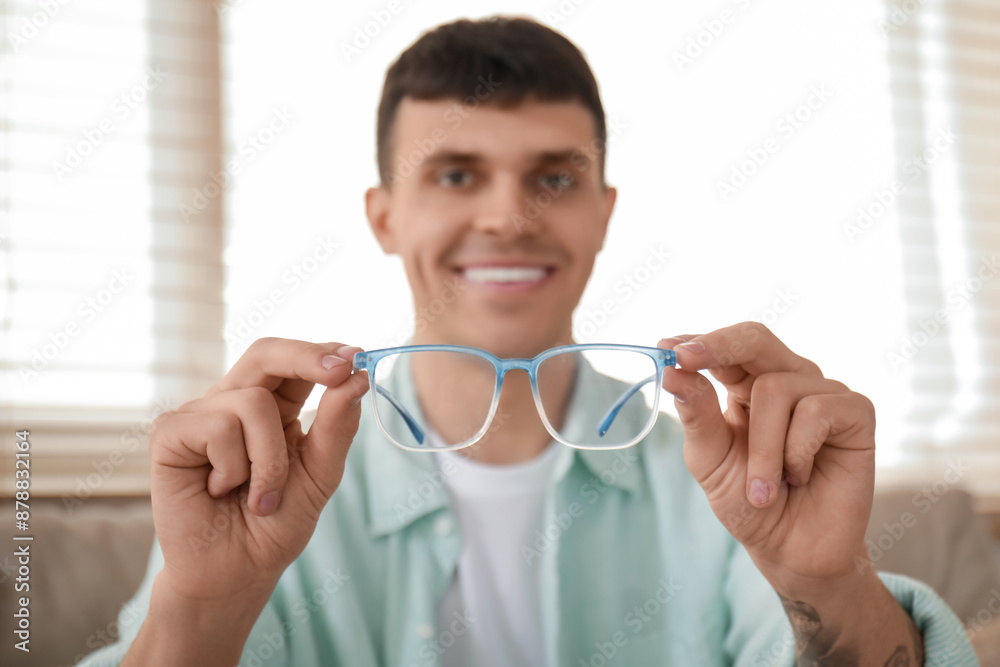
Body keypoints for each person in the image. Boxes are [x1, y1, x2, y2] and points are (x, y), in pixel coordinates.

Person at [82, 16, 977, 666]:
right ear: (384, 218)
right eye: (457, 173)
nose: (508, 216)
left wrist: (829, 580)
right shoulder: (261, 488)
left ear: (603, 215)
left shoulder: (722, 492)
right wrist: (201, 611)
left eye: (554, 176)